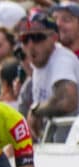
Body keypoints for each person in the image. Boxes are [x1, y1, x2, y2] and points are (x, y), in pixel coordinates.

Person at [17, 12, 79, 140]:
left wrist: (36, 110)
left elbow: (66, 101)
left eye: (37, 37)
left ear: (54, 38)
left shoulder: (62, 60)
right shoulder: (38, 66)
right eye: (24, 39)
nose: (30, 45)